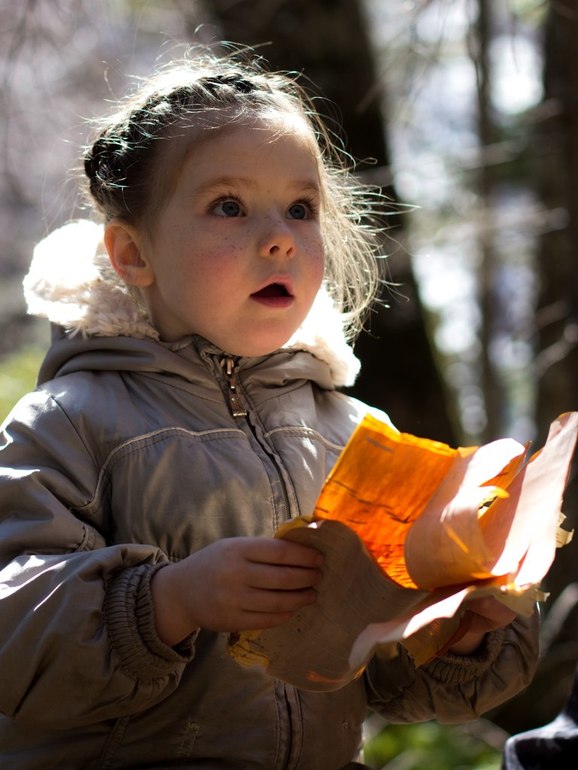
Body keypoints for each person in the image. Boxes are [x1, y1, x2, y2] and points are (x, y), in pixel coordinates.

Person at [0, 47, 538, 769]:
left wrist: (458, 630)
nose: (280, 236)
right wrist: (169, 600)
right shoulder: (69, 423)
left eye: (301, 207)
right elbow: (13, 640)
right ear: (133, 253)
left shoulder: (357, 438)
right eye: (229, 206)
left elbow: (385, 681)